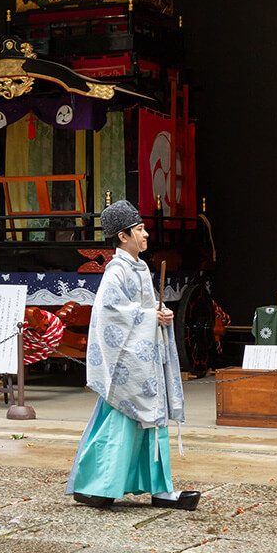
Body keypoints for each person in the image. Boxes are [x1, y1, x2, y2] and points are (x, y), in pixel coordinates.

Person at [65, 199, 201, 511]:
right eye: (140, 230)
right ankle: (94, 487)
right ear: (123, 236)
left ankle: (160, 489)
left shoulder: (138, 268)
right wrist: (151, 315)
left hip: (144, 360)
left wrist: (161, 314)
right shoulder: (116, 271)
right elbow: (111, 313)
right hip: (128, 367)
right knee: (120, 426)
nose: (146, 235)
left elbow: (144, 309)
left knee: (150, 423)